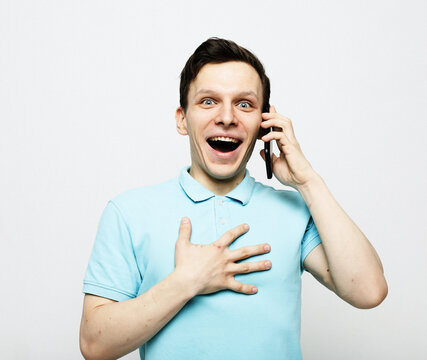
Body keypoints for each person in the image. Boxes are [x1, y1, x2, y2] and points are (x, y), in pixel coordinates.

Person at [79, 37, 388, 360]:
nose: (227, 117)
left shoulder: (295, 210)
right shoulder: (128, 212)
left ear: (264, 124)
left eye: (245, 104)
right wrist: (186, 282)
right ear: (182, 119)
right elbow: (94, 345)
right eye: (208, 101)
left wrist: (308, 181)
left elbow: (369, 291)